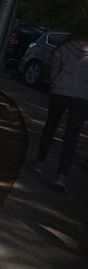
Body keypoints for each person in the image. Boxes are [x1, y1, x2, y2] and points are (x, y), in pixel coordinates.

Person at [30, 19, 88, 192]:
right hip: (82, 96)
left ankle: (40, 160)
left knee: (51, 126)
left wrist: (56, 82)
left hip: (60, 91)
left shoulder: (65, 48)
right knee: (72, 135)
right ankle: (62, 176)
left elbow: (53, 68)